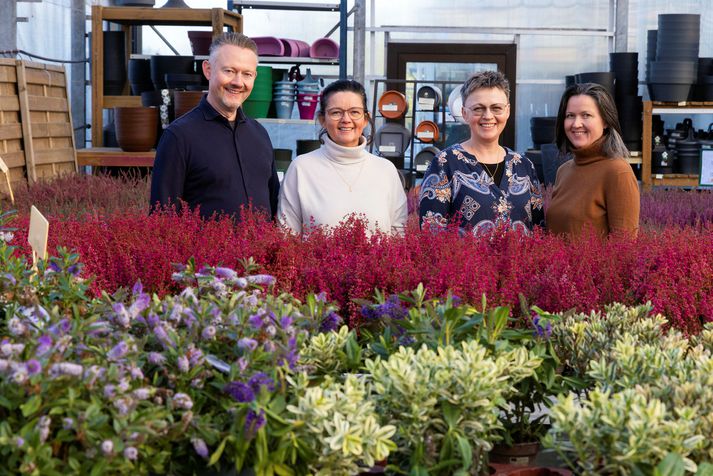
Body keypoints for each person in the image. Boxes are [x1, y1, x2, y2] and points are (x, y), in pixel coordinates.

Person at [150, 32, 279, 219]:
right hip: (201, 248)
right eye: (229, 71)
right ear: (208, 69)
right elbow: (162, 217)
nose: (238, 82)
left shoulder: (260, 135)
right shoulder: (179, 137)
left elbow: (274, 207)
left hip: (260, 248)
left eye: (247, 74)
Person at [419, 70, 544, 235]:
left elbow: (539, 230)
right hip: (463, 261)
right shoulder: (445, 164)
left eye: (496, 108)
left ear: (507, 111)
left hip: (519, 261)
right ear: (464, 113)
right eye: (478, 109)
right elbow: (431, 233)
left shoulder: (524, 166)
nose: (488, 116)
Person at [277, 79, 407, 235]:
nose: (346, 119)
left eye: (354, 112)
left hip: (379, 261)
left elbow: (399, 233)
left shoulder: (385, 170)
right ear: (322, 120)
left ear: (366, 119)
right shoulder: (301, 168)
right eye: (336, 112)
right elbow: (287, 236)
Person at [546, 83, 639, 237]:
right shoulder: (564, 171)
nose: (576, 124)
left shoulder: (617, 171)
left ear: (606, 121)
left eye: (586, 115)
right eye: (570, 116)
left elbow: (624, 248)